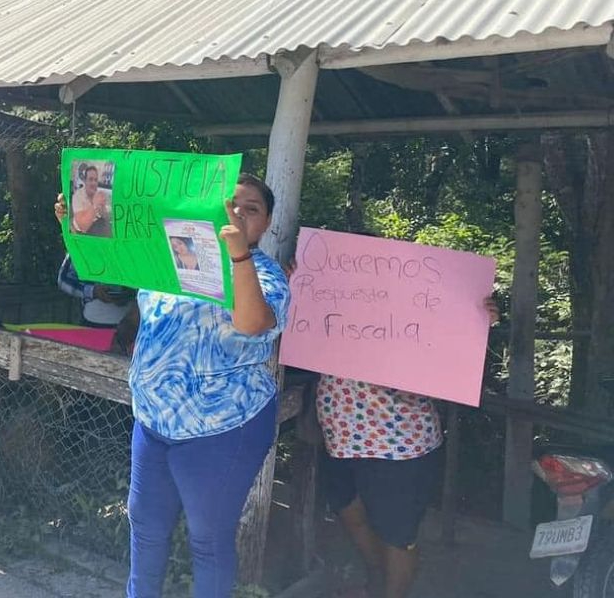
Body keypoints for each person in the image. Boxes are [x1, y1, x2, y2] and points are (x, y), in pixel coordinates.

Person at [56, 173, 290, 598]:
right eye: (228, 205)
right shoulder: (170, 259)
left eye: (250, 209)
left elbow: (253, 324)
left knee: (208, 540)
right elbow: (103, 269)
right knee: (145, 527)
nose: (235, 214)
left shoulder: (265, 273)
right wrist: (77, 232)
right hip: (154, 421)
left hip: (222, 429)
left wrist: (238, 257)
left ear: (267, 222)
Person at [318, 296, 500, 598]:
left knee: (398, 533)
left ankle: (391, 590)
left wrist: (478, 323)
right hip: (340, 433)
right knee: (348, 509)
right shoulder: (340, 289)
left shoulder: (417, 299)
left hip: (400, 440)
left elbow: (452, 353)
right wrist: (297, 281)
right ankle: (377, 580)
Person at [56, 254, 135, 328]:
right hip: (93, 320)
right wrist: (93, 291)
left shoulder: (136, 241)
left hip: (132, 319)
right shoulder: (83, 242)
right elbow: (63, 279)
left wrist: (133, 293)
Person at [70, 164, 112, 236]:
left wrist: (103, 208)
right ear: (85, 181)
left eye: (95, 180)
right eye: (90, 179)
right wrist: (95, 205)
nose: (93, 183)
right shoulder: (77, 197)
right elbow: (83, 227)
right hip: (80, 234)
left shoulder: (97, 193)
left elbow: (105, 217)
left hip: (97, 230)